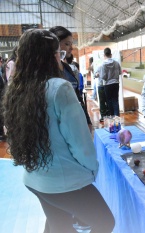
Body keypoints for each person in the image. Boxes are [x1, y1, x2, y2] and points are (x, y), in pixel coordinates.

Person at [3, 29, 114, 233]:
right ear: (51, 56)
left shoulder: (17, 89)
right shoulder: (59, 88)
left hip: (34, 179)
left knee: (59, 226)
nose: (61, 59)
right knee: (105, 222)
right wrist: (93, 169)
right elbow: (80, 143)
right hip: (63, 183)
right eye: (59, 54)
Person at [49, 26, 92, 131]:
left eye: (71, 44)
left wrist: (87, 121)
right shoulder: (47, 72)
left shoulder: (67, 68)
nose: (71, 48)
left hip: (76, 123)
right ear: (54, 44)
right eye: (67, 44)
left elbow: (78, 97)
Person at [100, 47, 121, 116]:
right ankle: (117, 119)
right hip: (116, 83)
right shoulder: (116, 63)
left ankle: (112, 117)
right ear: (111, 54)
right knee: (115, 101)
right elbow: (120, 72)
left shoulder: (103, 64)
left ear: (104, 55)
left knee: (109, 101)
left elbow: (103, 77)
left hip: (107, 84)